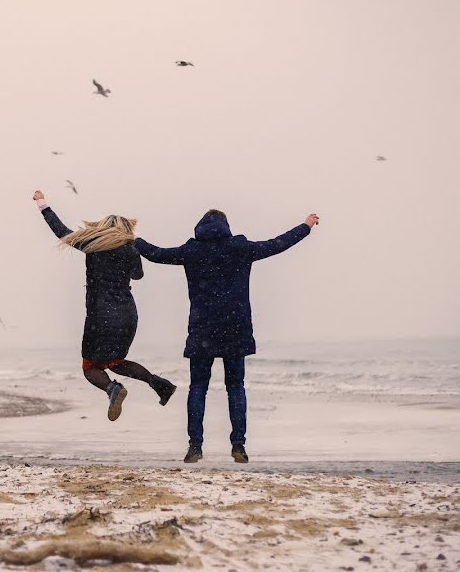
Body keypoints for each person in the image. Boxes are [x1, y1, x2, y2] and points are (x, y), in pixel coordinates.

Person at [134, 209, 319, 463]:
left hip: (202, 329)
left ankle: (195, 447)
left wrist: (132, 239)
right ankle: (239, 446)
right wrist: (305, 227)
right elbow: (278, 244)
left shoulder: (192, 251)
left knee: (198, 387)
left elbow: (156, 254)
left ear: (200, 227)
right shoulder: (239, 248)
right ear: (226, 227)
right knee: (236, 387)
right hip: (235, 327)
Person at [32, 190, 177, 421]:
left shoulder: (93, 244)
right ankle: (159, 384)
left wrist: (42, 204)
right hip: (128, 314)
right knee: (114, 362)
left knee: (90, 366)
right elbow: (138, 276)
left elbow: (61, 231)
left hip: (101, 314)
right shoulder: (131, 249)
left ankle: (113, 390)